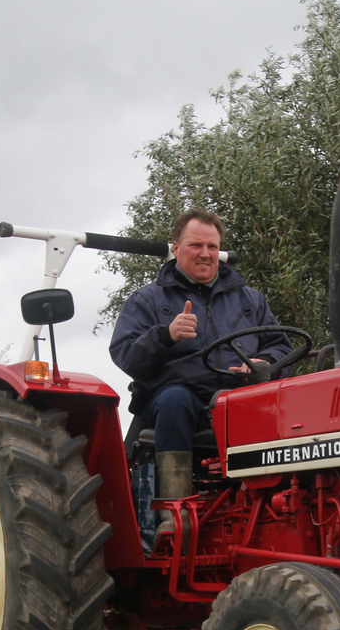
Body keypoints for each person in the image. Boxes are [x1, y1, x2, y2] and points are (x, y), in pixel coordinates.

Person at [109, 208, 291, 528]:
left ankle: (282, 502)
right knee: (175, 399)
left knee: (285, 401)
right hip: (180, 399)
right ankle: (175, 511)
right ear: (177, 248)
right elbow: (125, 354)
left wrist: (264, 363)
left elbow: (281, 346)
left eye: (212, 247)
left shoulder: (250, 299)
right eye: (196, 245)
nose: (205, 254)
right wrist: (165, 335)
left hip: (238, 394)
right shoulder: (147, 300)